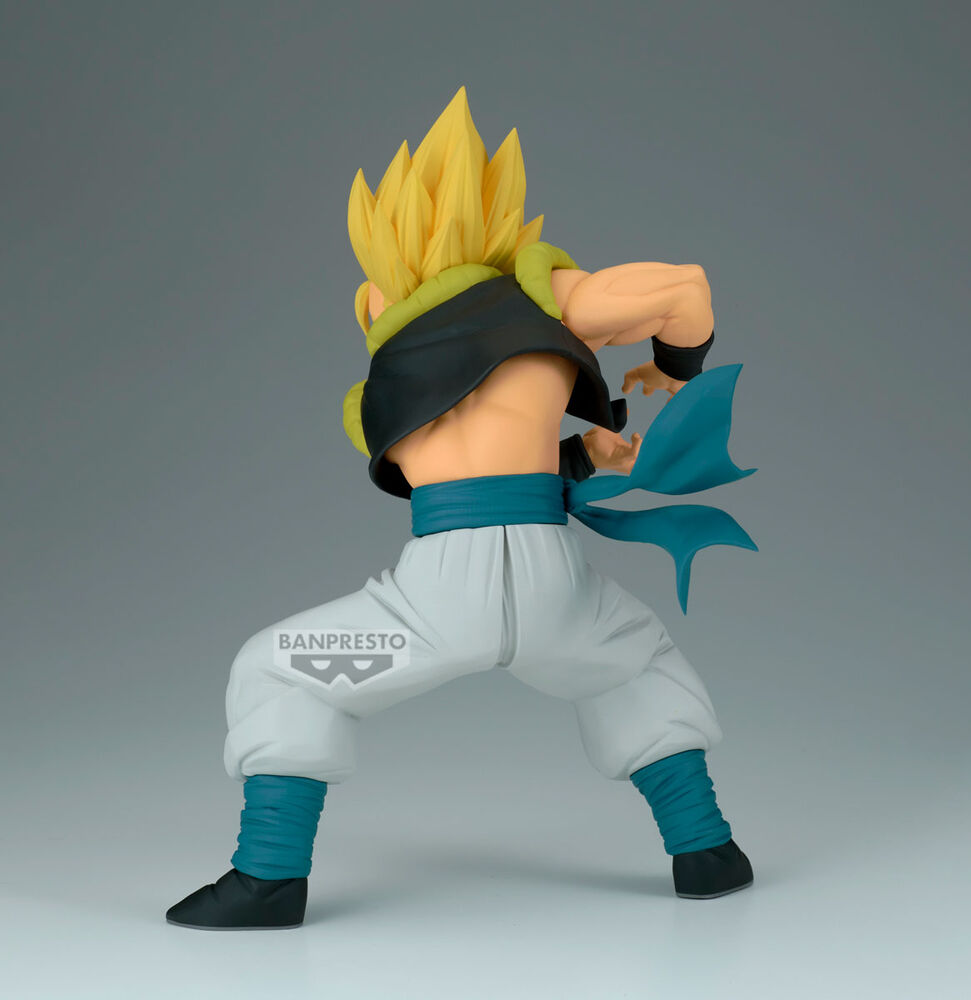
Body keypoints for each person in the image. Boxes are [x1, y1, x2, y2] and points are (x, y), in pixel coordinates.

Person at [166, 86, 756, 930]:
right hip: (557, 597)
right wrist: (672, 369)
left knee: (276, 669)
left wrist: (576, 457)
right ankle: (706, 852)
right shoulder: (542, 298)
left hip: (436, 607)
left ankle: (268, 879)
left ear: (380, 282)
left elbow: (463, 477)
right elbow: (685, 289)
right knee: (636, 663)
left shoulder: (379, 385)